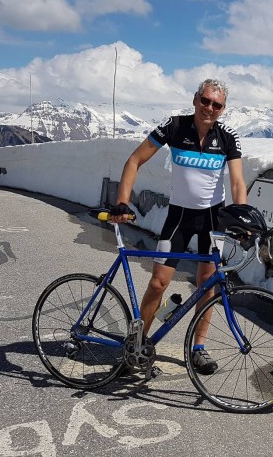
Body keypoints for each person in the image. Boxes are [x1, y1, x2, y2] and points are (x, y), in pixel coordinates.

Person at [110, 78, 246, 375]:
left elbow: (237, 182)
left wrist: (242, 215)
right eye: (206, 100)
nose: (209, 108)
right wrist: (122, 201)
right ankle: (138, 345)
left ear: (223, 109)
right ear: (196, 98)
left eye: (217, 104)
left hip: (213, 220)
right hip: (179, 219)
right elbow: (135, 160)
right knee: (159, 282)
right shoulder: (174, 126)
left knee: (207, 286)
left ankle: (199, 348)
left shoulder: (227, 137)